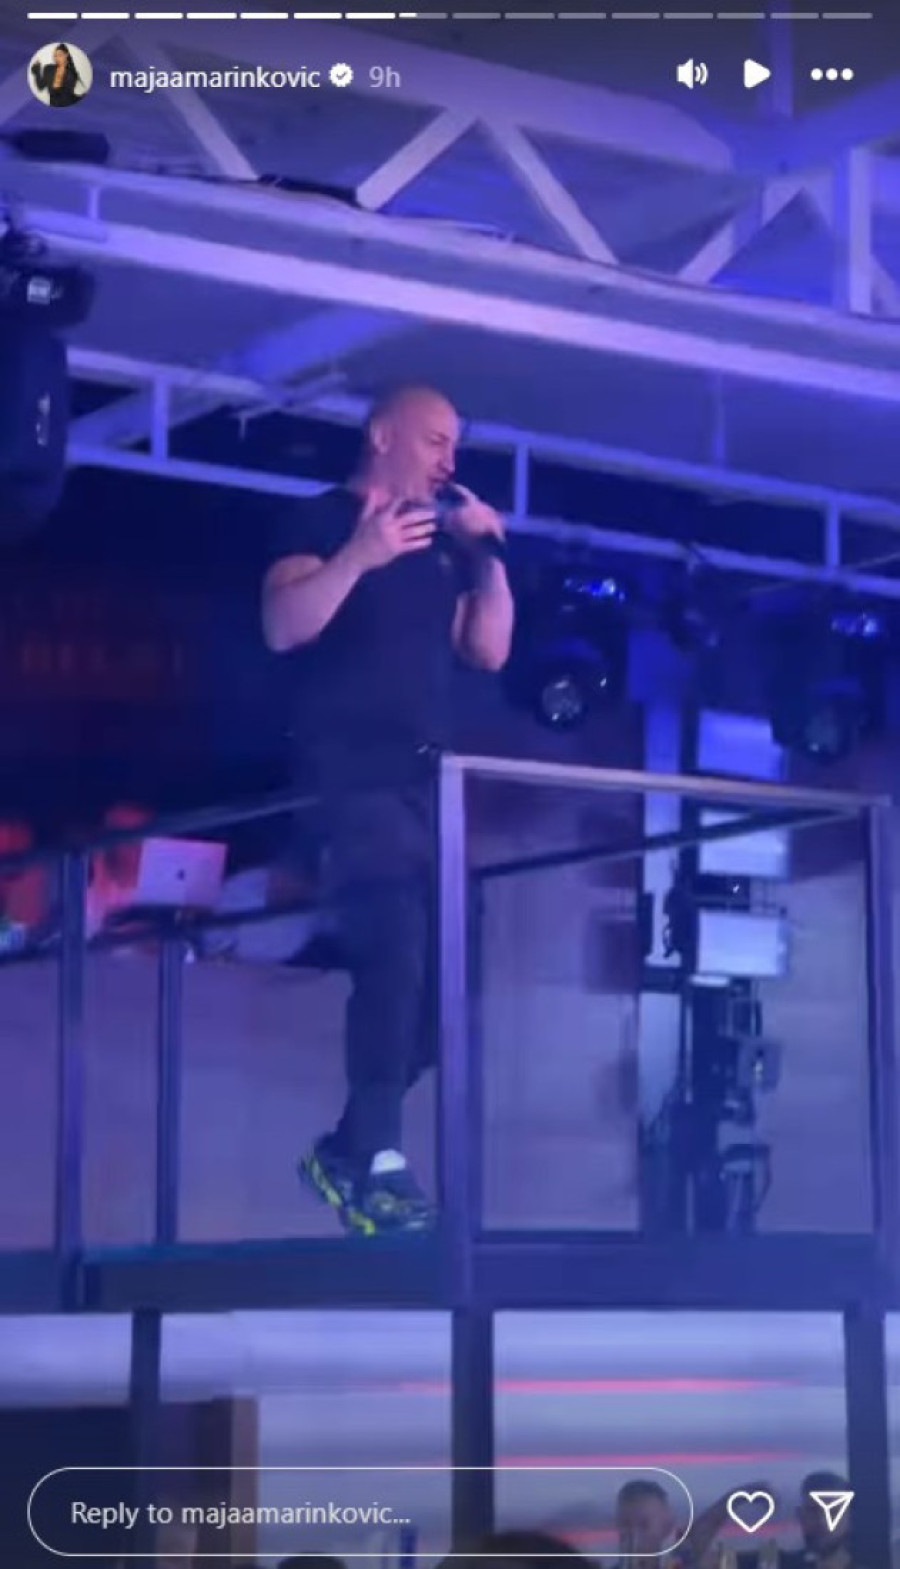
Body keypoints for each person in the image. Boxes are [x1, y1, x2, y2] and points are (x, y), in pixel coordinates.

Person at [262, 384, 514, 1235]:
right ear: (381, 434)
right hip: (348, 779)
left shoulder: (436, 549)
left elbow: (488, 648)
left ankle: (347, 1145)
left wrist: (486, 558)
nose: (449, 459)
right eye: (436, 439)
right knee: (396, 948)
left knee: (452, 982)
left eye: (455, 445)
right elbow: (284, 625)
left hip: (427, 786)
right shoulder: (319, 520)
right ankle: (379, 1161)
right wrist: (358, 556)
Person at [31, 43, 85, 107]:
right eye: (55, 56)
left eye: (60, 55)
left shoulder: (71, 73)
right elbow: (40, 86)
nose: (57, 58)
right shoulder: (48, 68)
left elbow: (66, 96)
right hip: (53, 105)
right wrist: (37, 70)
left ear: (66, 55)